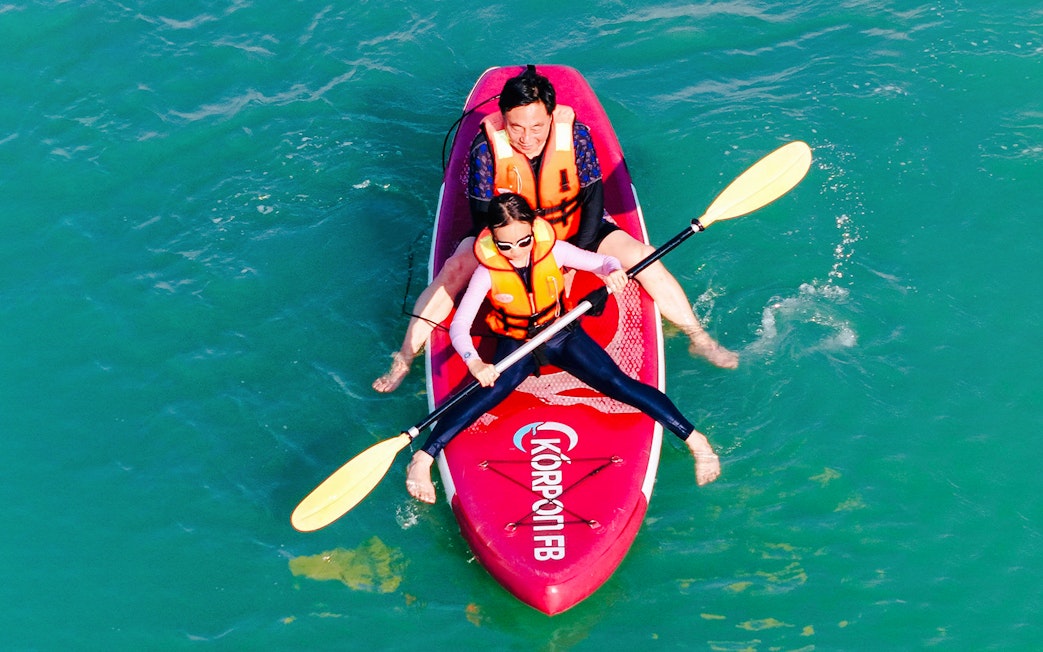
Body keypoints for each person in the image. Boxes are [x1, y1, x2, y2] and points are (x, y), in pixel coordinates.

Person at [372, 66, 737, 393]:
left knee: (642, 256)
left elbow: (593, 200)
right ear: (503, 119)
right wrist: (524, 260)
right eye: (516, 127)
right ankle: (404, 356)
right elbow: (484, 218)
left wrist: (570, 261)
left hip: (577, 227)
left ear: (550, 117)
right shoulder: (486, 148)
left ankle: (697, 336)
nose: (527, 137)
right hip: (508, 238)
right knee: (453, 269)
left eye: (537, 127)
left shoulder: (575, 137)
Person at [404, 193, 721, 504]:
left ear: (533, 230)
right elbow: (460, 325)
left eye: (524, 241)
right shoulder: (488, 272)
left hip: (561, 332)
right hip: (518, 342)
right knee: (487, 393)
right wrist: (474, 363)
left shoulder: (552, 250)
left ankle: (696, 440)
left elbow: (603, 261)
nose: (516, 252)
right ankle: (423, 457)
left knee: (617, 383)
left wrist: (613, 271)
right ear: (493, 241)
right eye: (504, 246)